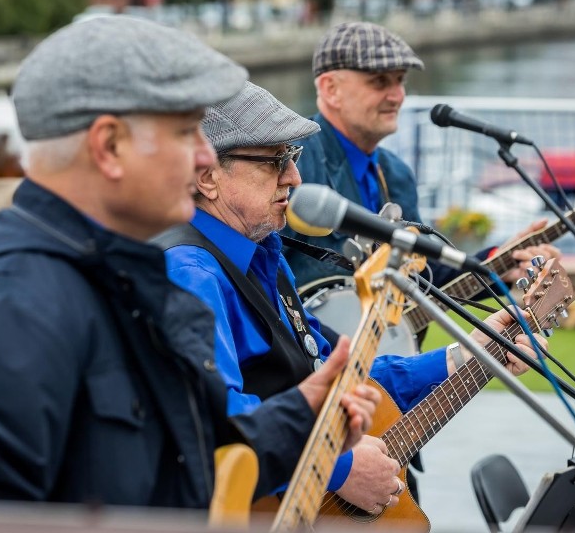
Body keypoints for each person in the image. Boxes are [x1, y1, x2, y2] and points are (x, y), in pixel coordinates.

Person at [0, 17, 379, 509]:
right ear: (109, 147)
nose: (202, 157)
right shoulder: (16, 305)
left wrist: (300, 416)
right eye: (187, 132)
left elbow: (174, 471)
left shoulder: (117, 273)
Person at [160, 81, 548, 515]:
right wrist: (338, 468)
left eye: (294, 157)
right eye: (274, 161)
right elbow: (218, 421)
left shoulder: (265, 256)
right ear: (207, 177)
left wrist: (465, 354)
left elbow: (335, 376)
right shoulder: (189, 274)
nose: (295, 178)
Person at [282, 21, 560, 288]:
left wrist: (500, 262)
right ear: (331, 89)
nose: (397, 96)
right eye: (380, 82)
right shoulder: (293, 162)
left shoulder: (396, 173)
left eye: (400, 80)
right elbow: (262, 277)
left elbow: (424, 273)